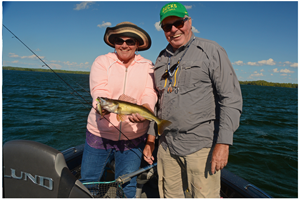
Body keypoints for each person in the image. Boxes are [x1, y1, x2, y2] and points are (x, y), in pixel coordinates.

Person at [143, 2, 243, 198]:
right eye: (167, 26)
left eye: (179, 22)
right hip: (166, 146)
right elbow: (157, 104)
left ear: (189, 22)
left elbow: (231, 98)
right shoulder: (161, 58)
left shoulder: (211, 50)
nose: (174, 30)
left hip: (201, 147)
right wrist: (151, 139)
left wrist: (223, 144)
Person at [80, 21, 157, 198]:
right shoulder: (101, 61)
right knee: (88, 183)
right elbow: (99, 91)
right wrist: (105, 107)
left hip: (134, 136)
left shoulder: (148, 66)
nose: (124, 45)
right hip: (99, 134)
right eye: (119, 40)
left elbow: (149, 92)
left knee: (128, 185)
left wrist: (146, 109)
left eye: (130, 41)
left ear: (138, 45)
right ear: (113, 42)